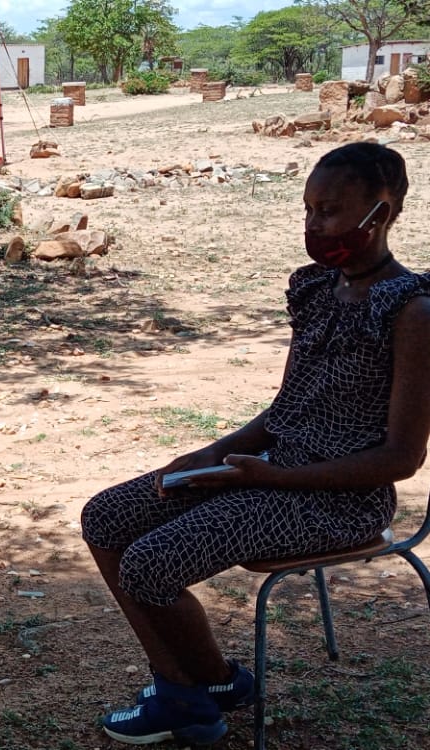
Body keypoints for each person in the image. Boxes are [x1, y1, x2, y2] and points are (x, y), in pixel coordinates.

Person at [81, 142, 430, 746]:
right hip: (270, 470)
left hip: (343, 501)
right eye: (308, 210)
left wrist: (271, 478)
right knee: (106, 516)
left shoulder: (413, 312)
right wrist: (213, 454)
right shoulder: (318, 290)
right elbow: (287, 406)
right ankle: (192, 687)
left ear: (383, 211)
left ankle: (202, 692)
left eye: (330, 211)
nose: (315, 225)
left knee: (149, 564)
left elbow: (401, 458)